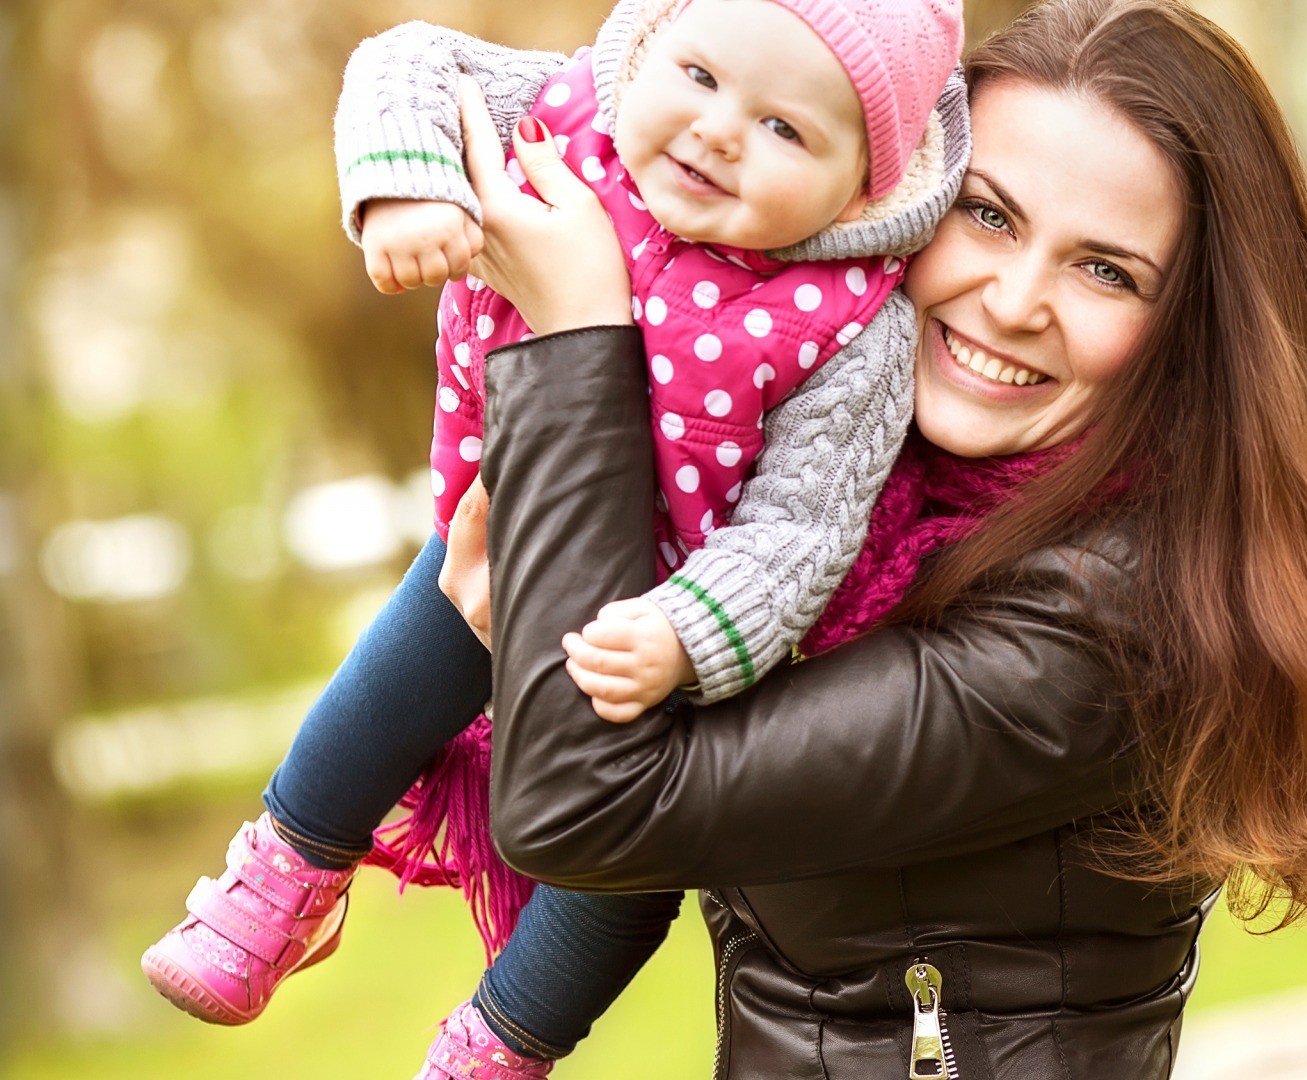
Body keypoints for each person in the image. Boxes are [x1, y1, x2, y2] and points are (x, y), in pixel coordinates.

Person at [442, 0, 1307, 1076]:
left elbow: (583, 803)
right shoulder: (845, 513)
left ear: (1193, 333)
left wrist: (579, 332)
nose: (1011, 301)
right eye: (989, 216)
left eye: (1106, 271)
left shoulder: (1107, 621)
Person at [140, 0, 968, 1074]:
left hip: (656, 636)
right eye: (703, 76)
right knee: (385, 689)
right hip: (502, 542)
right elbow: (409, 63)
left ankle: (497, 1047)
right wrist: (405, 186)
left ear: (867, 179)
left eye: (786, 130)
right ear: (651, 43)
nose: (720, 131)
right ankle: (284, 874)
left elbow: (802, 528)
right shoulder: (570, 111)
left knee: (625, 876)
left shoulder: (854, 322)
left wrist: (689, 634)